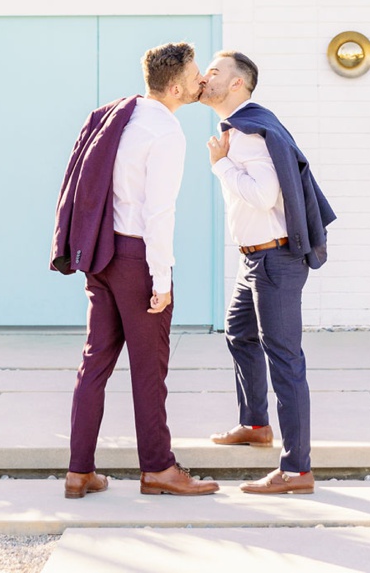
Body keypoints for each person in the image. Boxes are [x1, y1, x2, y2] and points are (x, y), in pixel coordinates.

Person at [52, 41, 218, 499]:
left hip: (101, 255)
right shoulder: (166, 132)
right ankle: (159, 469)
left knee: (95, 364)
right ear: (178, 83)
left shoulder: (119, 116)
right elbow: (158, 213)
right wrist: (161, 281)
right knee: (149, 369)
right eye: (197, 72)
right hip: (135, 260)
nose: (202, 78)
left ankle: (79, 471)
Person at [200, 49, 337, 495]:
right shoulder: (239, 129)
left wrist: (220, 164)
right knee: (238, 333)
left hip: (274, 260)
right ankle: (256, 424)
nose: (206, 77)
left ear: (237, 84)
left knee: (285, 360)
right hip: (253, 260)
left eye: (215, 72)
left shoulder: (249, 132)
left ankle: (297, 470)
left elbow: (261, 196)